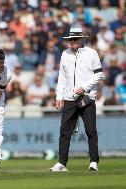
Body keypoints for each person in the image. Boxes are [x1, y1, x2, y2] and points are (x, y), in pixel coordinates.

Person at [50, 28, 104, 172]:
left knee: (91, 131)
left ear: (82, 39)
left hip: (86, 97)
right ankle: (62, 163)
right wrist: (59, 96)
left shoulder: (91, 53)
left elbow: (99, 75)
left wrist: (84, 87)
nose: (71, 42)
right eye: (70, 39)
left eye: (74, 39)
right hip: (69, 98)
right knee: (64, 131)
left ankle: (93, 162)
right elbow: (62, 77)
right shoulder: (65, 54)